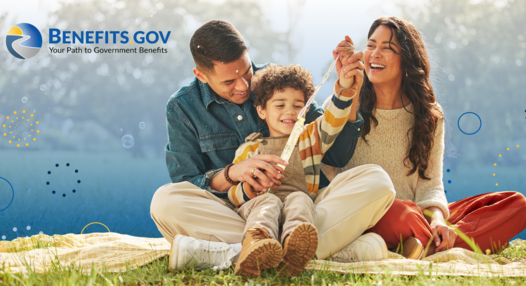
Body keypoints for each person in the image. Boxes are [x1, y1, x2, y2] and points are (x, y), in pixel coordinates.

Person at [150, 20, 396, 271]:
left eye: (246, 72)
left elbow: (336, 153)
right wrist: (233, 175)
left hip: (306, 207)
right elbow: (187, 182)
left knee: (377, 180)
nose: (244, 86)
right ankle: (305, 250)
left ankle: (239, 252)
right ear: (201, 75)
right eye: (228, 83)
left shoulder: (281, 82)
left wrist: (347, 89)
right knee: (165, 201)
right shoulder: (182, 107)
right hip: (241, 212)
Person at [323, 16, 526, 259]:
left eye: (387, 48)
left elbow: (430, 186)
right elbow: (329, 173)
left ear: (407, 61)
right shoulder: (343, 104)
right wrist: (348, 93)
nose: (375, 54)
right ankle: (448, 245)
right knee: (403, 212)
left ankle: (432, 241)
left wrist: (439, 221)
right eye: (371, 45)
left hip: (417, 216)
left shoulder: (429, 116)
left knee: (516, 205)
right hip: (368, 216)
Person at [226, 62, 361, 277]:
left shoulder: (311, 139)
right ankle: (255, 245)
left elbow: (333, 119)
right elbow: (232, 193)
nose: (290, 111)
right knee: (268, 202)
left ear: (306, 110)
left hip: (298, 205)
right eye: (280, 105)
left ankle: (294, 248)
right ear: (261, 111)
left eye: (298, 106)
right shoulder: (249, 149)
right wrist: (250, 190)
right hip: (258, 206)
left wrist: (344, 85)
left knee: (300, 198)